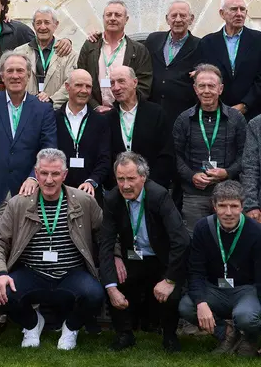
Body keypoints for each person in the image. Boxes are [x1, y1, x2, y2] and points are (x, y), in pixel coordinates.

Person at [0, 149, 105, 350]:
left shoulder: (84, 201)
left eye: (55, 174)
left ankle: (71, 327)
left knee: (95, 295)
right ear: (36, 173)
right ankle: (32, 324)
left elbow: (106, 237)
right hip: (32, 273)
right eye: (44, 173)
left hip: (71, 274)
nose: (49, 180)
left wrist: (117, 257)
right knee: (1, 291)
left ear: (65, 175)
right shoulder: (18, 203)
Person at [98, 152, 190, 353]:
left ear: (143, 177)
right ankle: (124, 334)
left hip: (161, 257)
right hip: (131, 256)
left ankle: (169, 336)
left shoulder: (159, 196)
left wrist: (170, 280)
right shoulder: (113, 198)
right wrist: (111, 287)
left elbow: (181, 240)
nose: (125, 185)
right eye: (120, 179)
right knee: (116, 279)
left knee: (171, 293)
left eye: (131, 178)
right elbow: (105, 243)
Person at [0, 51, 57, 233]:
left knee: (25, 249)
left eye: (20, 71)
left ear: (28, 74)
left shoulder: (43, 109)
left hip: (29, 192)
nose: (15, 75)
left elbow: (49, 149)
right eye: (10, 71)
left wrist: (34, 177)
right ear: (2, 75)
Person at [178, 180, 261, 357]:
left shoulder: (255, 231)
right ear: (214, 206)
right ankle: (227, 334)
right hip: (215, 289)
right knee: (187, 306)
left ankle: (251, 337)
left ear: (242, 207)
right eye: (222, 206)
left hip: (245, 290)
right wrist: (201, 303)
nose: (228, 212)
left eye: (234, 206)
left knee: (247, 317)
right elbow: (196, 271)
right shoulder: (203, 228)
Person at [173, 63, 246, 232]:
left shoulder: (236, 119)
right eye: (202, 86)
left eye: (211, 86)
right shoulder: (184, 119)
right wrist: (191, 176)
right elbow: (175, 156)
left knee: (228, 242)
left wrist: (228, 172)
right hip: (194, 194)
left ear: (220, 89)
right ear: (195, 89)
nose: (206, 91)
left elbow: (245, 155)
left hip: (229, 196)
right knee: (195, 240)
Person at [77, 0, 153, 112]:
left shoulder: (138, 50)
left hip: (125, 114)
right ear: (103, 18)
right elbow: (80, 78)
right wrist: (95, 106)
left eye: (118, 15)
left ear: (126, 20)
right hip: (94, 114)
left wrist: (121, 107)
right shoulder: (90, 46)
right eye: (109, 15)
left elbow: (144, 85)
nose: (112, 18)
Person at [106, 65, 173, 189]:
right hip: (119, 190)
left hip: (151, 188)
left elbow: (166, 154)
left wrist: (151, 185)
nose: (116, 87)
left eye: (121, 81)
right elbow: (105, 157)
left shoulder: (156, 113)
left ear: (135, 82)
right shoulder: (108, 119)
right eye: (112, 83)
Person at [199, 0, 261, 120]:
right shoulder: (207, 42)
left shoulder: (258, 40)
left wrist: (245, 105)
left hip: (253, 115)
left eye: (242, 9)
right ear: (222, 14)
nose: (239, 13)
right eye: (234, 9)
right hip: (217, 115)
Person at [144, 0, 202, 129]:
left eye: (183, 15)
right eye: (174, 15)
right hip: (152, 112)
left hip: (182, 115)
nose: (178, 19)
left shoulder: (200, 45)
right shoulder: (153, 40)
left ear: (191, 19)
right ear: (167, 19)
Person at [55, 69, 110, 204]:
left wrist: (93, 181)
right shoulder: (53, 119)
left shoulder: (101, 121)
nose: (84, 90)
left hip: (90, 194)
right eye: (79, 85)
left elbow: (105, 157)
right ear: (67, 87)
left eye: (88, 86)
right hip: (57, 193)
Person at [14, 6, 75, 108]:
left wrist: (51, 100)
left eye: (47, 22)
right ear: (33, 25)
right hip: (26, 109)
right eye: (38, 23)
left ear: (56, 25)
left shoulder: (69, 54)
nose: (42, 27)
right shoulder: (19, 52)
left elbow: (71, 82)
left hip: (55, 111)